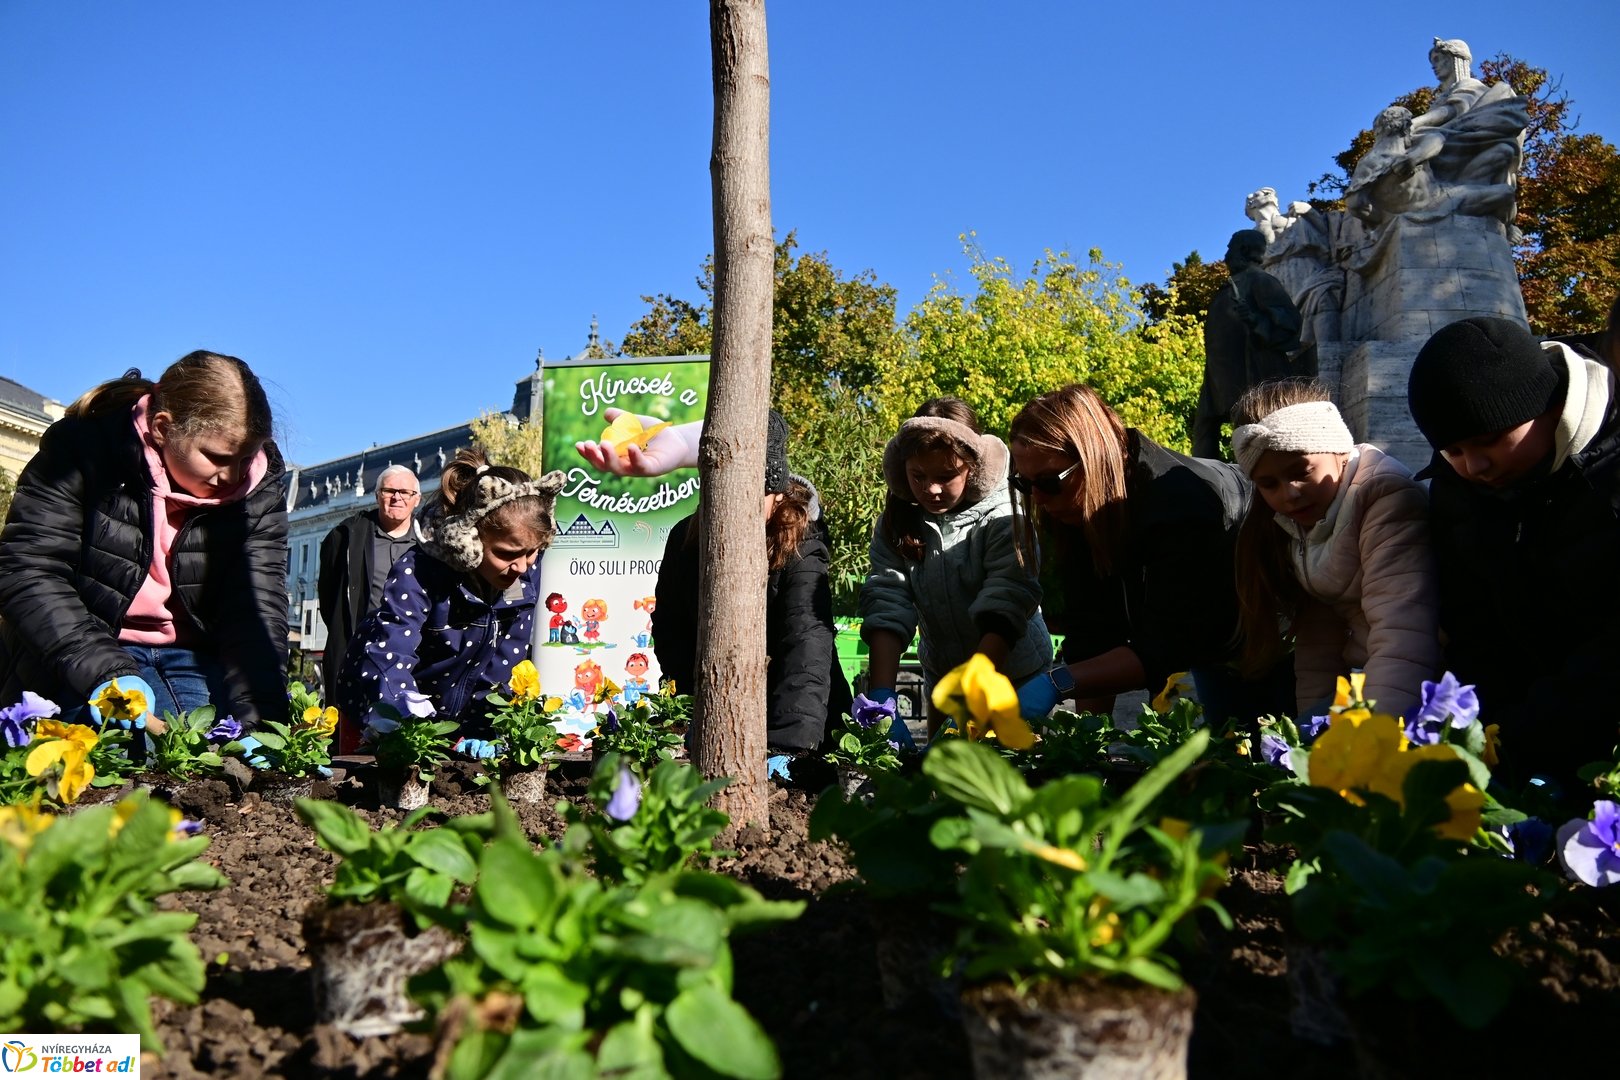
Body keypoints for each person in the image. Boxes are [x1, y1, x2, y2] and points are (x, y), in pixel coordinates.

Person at [0, 351, 289, 731]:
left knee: (207, 756)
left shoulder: (260, 486)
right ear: (162, 428)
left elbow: (255, 608)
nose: (232, 475)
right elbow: (29, 568)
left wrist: (262, 720)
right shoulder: (85, 449)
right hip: (85, 646)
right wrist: (103, 671)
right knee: (122, 758)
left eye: (245, 457)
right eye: (216, 457)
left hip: (191, 654)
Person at [1408, 315, 1620, 790]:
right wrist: (1494, 734)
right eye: (1453, 450)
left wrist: (1527, 732)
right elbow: (1471, 621)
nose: (1474, 466)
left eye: (1489, 441)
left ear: (1549, 408)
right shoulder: (1456, 487)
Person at [1009, 384, 1292, 725]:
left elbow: (1167, 646)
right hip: (1202, 649)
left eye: (1049, 481)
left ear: (1095, 456)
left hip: (1273, 644)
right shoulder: (1078, 505)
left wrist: (1056, 682)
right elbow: (1093, 634)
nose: (1038, 498)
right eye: (1025, 484)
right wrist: (1083, 745)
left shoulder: (1179, 502)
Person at [1230, 379, 1440, 719]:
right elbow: (1318, 641)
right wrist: (1308, 725)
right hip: (1372, 681)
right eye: (1269, 484)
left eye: (1301, 472)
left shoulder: (1384, 498)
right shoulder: (1297, 520)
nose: (1289, 493)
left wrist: (1377, 737)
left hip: (1421, 687)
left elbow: (1402, 630)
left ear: (1338, 449)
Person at [335, 449, 565, 754]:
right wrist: (403, 719)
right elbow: (391, 654)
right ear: (467, 542)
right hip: (378, 699)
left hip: (454, 717)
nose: (522, 566)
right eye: (507, 554)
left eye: (532, 551)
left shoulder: (523, 571)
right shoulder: (419, 571)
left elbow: (508, 657)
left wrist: (486, 726)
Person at [652, 410, 852, 759]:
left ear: (776, 493)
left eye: (752, 494)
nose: (736, 506)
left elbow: (805, 641)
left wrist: (789, 743)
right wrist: (692, 712)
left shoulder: (802, 542)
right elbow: (672, 633)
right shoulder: (685, 539)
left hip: (804, 720)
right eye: (727, 493)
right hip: (719, 722)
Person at [857, 397, 1051, 738]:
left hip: (1015, 679)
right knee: (942, 778)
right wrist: (882, 695)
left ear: (972, 468)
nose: (931, 489)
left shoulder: (1004, 517)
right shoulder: (896, 523)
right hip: (943, 680)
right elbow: (888, 600)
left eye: (946, 476)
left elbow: (1008, 600)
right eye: (918, 476)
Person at [1192, 230, 1307, 459]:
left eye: (1229, 248)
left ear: (1243, 250)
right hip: (1218, 375)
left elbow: (1290, 324)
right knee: (1204, 429)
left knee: (1248, 430)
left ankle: (1249, 484)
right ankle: (1202, 484)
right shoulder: (1230, 287)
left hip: (1251, 372)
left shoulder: (1261, 281)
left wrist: (1255, 319)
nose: (1226, 256)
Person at [317, 465, 422, 699]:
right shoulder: (346, 537)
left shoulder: (430, 542)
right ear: (377, 496)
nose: (397, 497)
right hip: (360, 651)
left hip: (417, 653)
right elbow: (329, 597)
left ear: (417, 499)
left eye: (405, 492)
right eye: (389, 491)